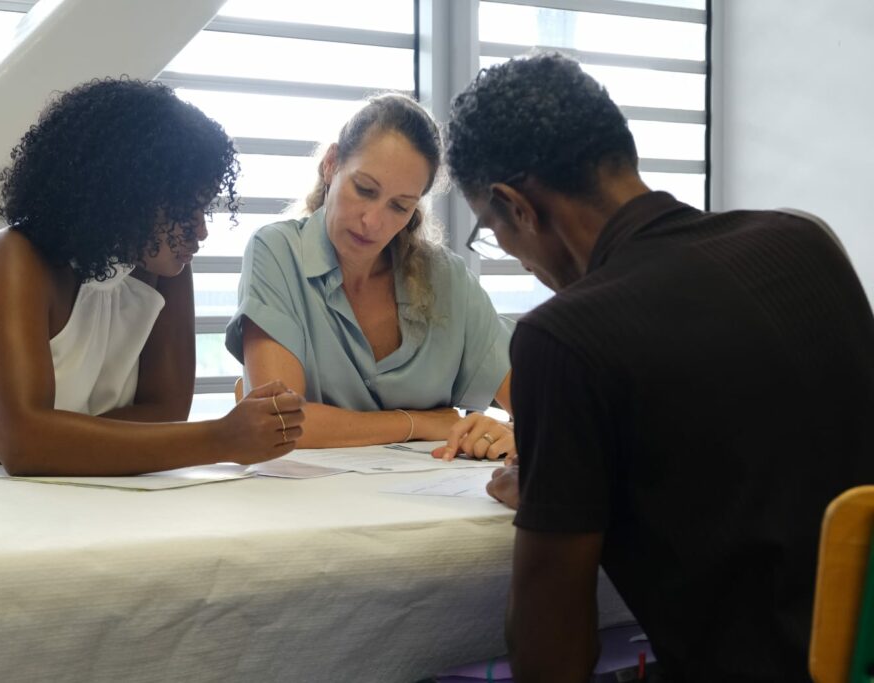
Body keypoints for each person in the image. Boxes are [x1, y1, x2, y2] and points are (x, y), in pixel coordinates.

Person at [445, 52, 874, 682]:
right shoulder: (806, 243)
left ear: (517, 206)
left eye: (493, 230)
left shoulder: (563, 338)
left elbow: (551, 659)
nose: (513, 257)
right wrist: (561, 483)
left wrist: (549, 500)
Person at [0, 78, 302, 476]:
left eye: (204, 210)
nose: (201, 231)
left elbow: (166, 413)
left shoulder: (163, 267)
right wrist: (219, 438)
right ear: (123, 195)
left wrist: (44, 439)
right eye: (185, 211)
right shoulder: (11, 260)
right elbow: (24, 447)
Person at [225, 94, 514, 455]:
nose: (373, 222)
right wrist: (419, 422)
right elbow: (277, 423)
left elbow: (539, 407)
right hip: (307, 507)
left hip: (433, 506)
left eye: (399, 206)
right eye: (364, 189)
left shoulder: (447, 277)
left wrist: (511, 434)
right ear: (331, 165)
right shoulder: (278, 252)